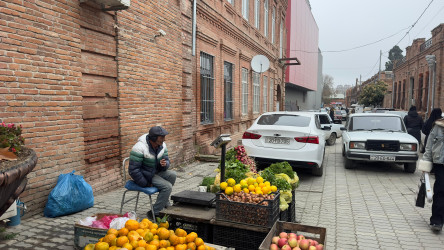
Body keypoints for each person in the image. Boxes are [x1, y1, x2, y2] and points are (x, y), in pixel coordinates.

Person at [128, 126, 176, 219]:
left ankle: (164, 201)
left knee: (173, 175)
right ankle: (155, 212)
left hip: (155, 172)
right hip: (146, 175)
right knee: (167, 187)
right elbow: (133, 170)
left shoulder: (162, 145)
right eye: (161, 137)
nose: (164, 139)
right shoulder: (139, 148)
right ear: (154, 138)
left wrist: (164, 164)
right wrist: (145, 183)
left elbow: (166, 160)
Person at [422, 117, 444, 232]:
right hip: (440, 164)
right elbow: (429, 146)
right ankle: (437, 220)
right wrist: (425, 165)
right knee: (440, 190)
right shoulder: (438, 126)